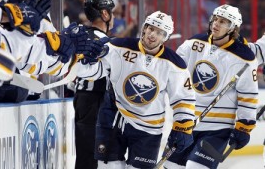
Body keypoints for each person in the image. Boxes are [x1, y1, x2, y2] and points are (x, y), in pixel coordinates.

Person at [76, 11, 196, 169]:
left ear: (165, 37)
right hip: (113, 117)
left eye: (160, 33)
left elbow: (183, 98)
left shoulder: (174, 64)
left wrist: (183, 125)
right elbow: (94, 72)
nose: (153, 35)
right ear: (144, 28)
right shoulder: (117, 46)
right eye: (151, 29)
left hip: (149, 127)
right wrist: (85, 61)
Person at [163, 4, 258, 169]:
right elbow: (174, 71)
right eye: (215, 19)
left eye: (222, 21)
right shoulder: (193, 43)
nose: (216, 23)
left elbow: (248, 96)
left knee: (195, 167)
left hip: (217, 129)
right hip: (187, 123)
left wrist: (244, 127)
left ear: (233, 28)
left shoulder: (244, 57)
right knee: (171, 166)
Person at [73, 0, 115, 169]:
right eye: (112, 13)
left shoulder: (82, 35)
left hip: (83, 99)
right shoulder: (104, 42)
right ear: (105, 14)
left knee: (86, 153)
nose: (113, 18)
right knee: (92, 155)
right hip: (95, 102)